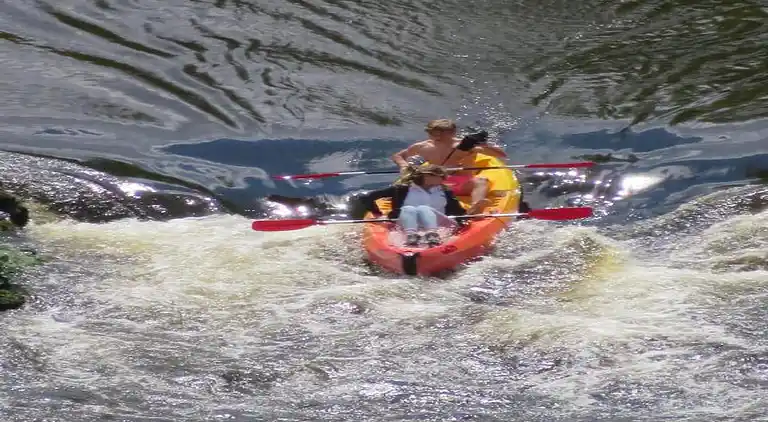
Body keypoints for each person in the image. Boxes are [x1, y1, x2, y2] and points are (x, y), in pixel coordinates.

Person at [390, 119, 507, 214]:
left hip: (463, 184)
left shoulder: (465, 146)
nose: (436, 137)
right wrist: (404, 165)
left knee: (481, 181)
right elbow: (399, 155)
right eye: (433, 133)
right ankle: (406, 209)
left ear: (452, 133)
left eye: (440, 134)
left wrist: (485, 145)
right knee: (411, 183)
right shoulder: (422, 146)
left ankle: (475, 208)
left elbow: (501, 155)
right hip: (437, 183)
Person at [357, 165, 466, 247]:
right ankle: (411, 236)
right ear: (427, 176)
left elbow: (458, 212)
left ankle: (432, 234)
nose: (444, 179)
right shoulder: (401, 189)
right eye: (441, 176)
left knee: (424, 208)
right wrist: (376, 212)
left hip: (440, 224)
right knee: (408, 209)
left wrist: (465, 220)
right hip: (406, 224)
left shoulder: (445, 191)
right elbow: (369, 197)